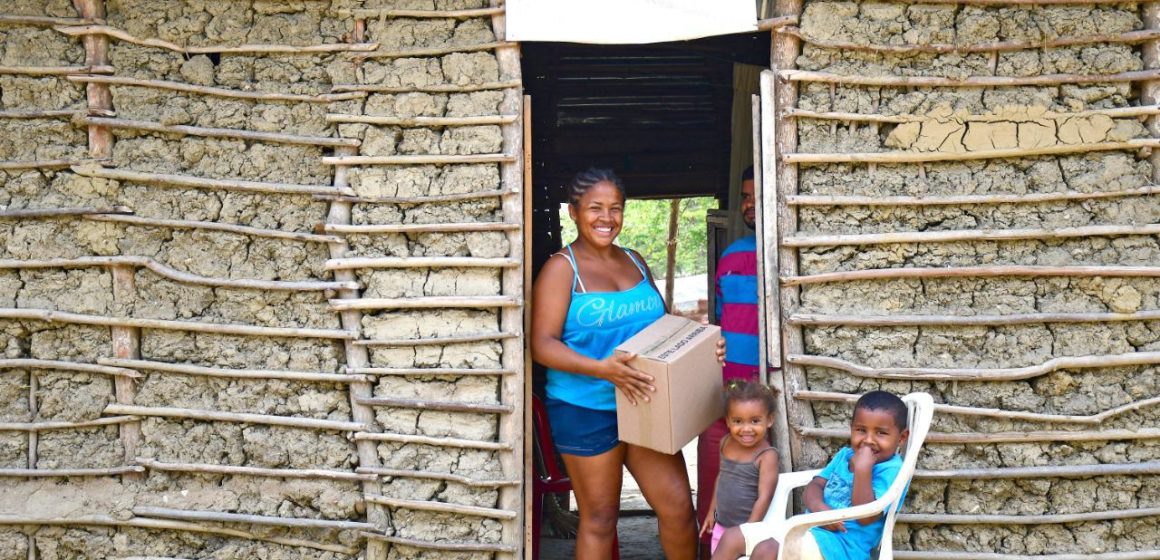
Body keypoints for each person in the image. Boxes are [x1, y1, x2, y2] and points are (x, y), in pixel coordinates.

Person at [530, 168, 704, 560]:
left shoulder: (635, 261)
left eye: (615, 208)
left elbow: (663, 327)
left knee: (678, 508)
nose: (606, 218)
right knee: (600, 519)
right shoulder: (562, 270)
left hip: (644, 403)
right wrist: (602, 369)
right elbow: (541, 345)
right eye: (595, 208)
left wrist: (699, 348)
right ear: (573, 212)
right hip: (585, 407)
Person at [711, 390, 911, 560]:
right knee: (732, 538)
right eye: (861, 430)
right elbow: (814, 486)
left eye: (881, 433)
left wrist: (863, 470)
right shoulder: (845, 455)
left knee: (768, 550)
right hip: (809, 528)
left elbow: (866, 517)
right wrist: (820, 511)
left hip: (841, 548)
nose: (868, 440)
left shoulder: (892, 470)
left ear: (901, 438)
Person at [700, 165, 768, 548]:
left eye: (756, 196)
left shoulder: (781, 258)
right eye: (744, 197)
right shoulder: (731, 257)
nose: (749, 205)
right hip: (729, 397)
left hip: (769, 396)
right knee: (716, 482)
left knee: (762, 491)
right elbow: (723, 322)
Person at [699, 380, 780, 554]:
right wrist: (711, 514)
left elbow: (764, 497)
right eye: (738, 421)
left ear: (769, 420)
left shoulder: (767, 456)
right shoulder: (725, 443)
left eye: (755, 421)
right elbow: (721, 480)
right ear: (727, 421)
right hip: (721, 528)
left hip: (747, 531)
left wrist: (748, 532)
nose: (746, 429)